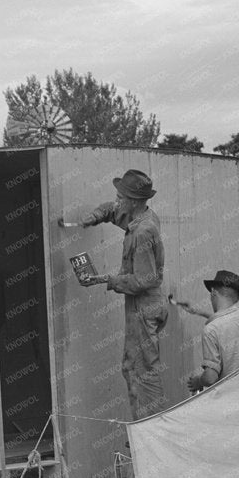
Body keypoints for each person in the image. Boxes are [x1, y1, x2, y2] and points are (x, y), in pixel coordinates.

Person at [58, 168, 168, 419]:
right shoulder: (139, 216)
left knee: (144, 372)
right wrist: (94, 217)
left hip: (145, 305)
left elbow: (144, 280)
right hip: (141, 304)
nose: (117, 201)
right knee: (131, 367)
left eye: (120, 197)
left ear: (133, 201)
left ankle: (154, 435)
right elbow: (111, 210)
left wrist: (107, 279)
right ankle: (143, 428)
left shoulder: (142, 232)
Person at [176, 269, 239, 393]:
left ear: (213, 292)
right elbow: (228, 322)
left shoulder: (210, 331)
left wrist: (198, 381)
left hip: (229, 400)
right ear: (236, 298)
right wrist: (198, 311)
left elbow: (210, 378)